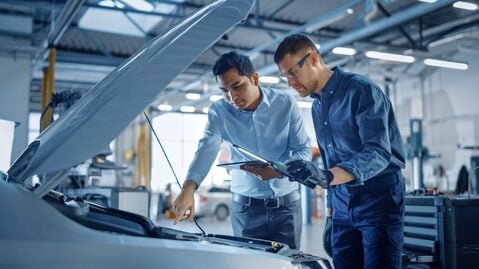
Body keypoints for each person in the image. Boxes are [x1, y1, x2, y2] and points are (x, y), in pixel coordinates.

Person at [274, 34, 406, 268]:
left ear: (313, 59)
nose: (290, 83)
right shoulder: (317, 106)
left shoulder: (362, 90)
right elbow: (330, 158)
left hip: (379, 198)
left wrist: (327, 176)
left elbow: (377, 152)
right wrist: (331, 213)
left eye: (292, 72)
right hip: (342, 201)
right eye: (285, 76)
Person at [173, 51, 311, 249]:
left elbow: (303, 151)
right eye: (224, 91)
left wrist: (279, 171)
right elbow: (207, 149)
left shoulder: (286, 104)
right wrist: (188, 188)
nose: (232, 97)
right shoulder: (219, 112)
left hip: (287, 207)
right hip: (246, 211)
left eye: (237, 86)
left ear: (254, 78)